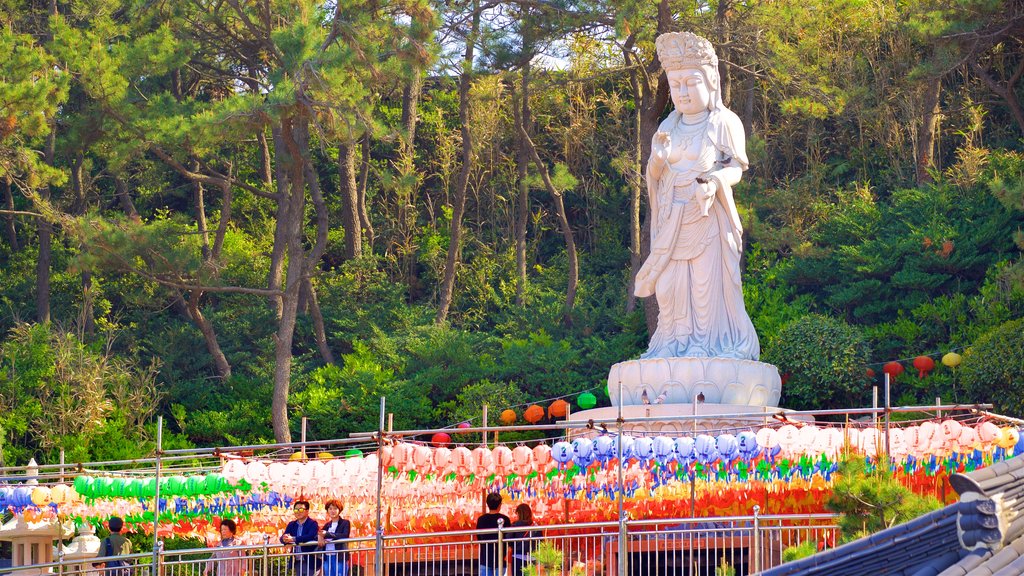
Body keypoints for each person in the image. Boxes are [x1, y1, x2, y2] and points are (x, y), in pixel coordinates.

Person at [634, 31, 759, 362]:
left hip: (705, 218)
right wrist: (658, 162)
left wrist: (715, 182)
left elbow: (736, 168)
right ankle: (672, 345)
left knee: (704, 288)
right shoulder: (669, 125)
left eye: (691, 82)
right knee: (671, 287)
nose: (684, 92)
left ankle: (708, 345)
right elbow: (655, 176)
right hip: (671, 219)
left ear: (712, 82)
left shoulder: (723, 122)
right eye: (676, 85)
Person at [475, 492, 511, 576]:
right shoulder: (505, 519)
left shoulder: (481, 519)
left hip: (485, 557)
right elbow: (509, 537)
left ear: (487, 504)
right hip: (501, 557)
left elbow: (479, 537)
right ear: (499, 505)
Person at [280, 500, 319, 576]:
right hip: (297, 560)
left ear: (307, 511)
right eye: (296, 510)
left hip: (310, 559)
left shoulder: (313, 523)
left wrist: (294, 539)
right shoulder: (292, 524)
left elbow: (310, 536)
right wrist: (284, 539)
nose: (298, 512)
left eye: (301, 509)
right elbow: (283, 537)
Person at [317, 500, 351, 576]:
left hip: (339, 555)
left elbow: (344, 535)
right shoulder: (327, 525)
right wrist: (320, 536)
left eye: (335, 508)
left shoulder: (345, 523)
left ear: (339, 510)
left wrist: (327, 534)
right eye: (330, 509)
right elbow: (319, 533)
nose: (333, 511)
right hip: (327, 555)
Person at [509, 504, 543, 576]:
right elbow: (540, 542)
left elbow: (509, 541)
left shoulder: (514, 525)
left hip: (517, 556)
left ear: (518, 513)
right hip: (532, 557)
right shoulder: (535, 526)